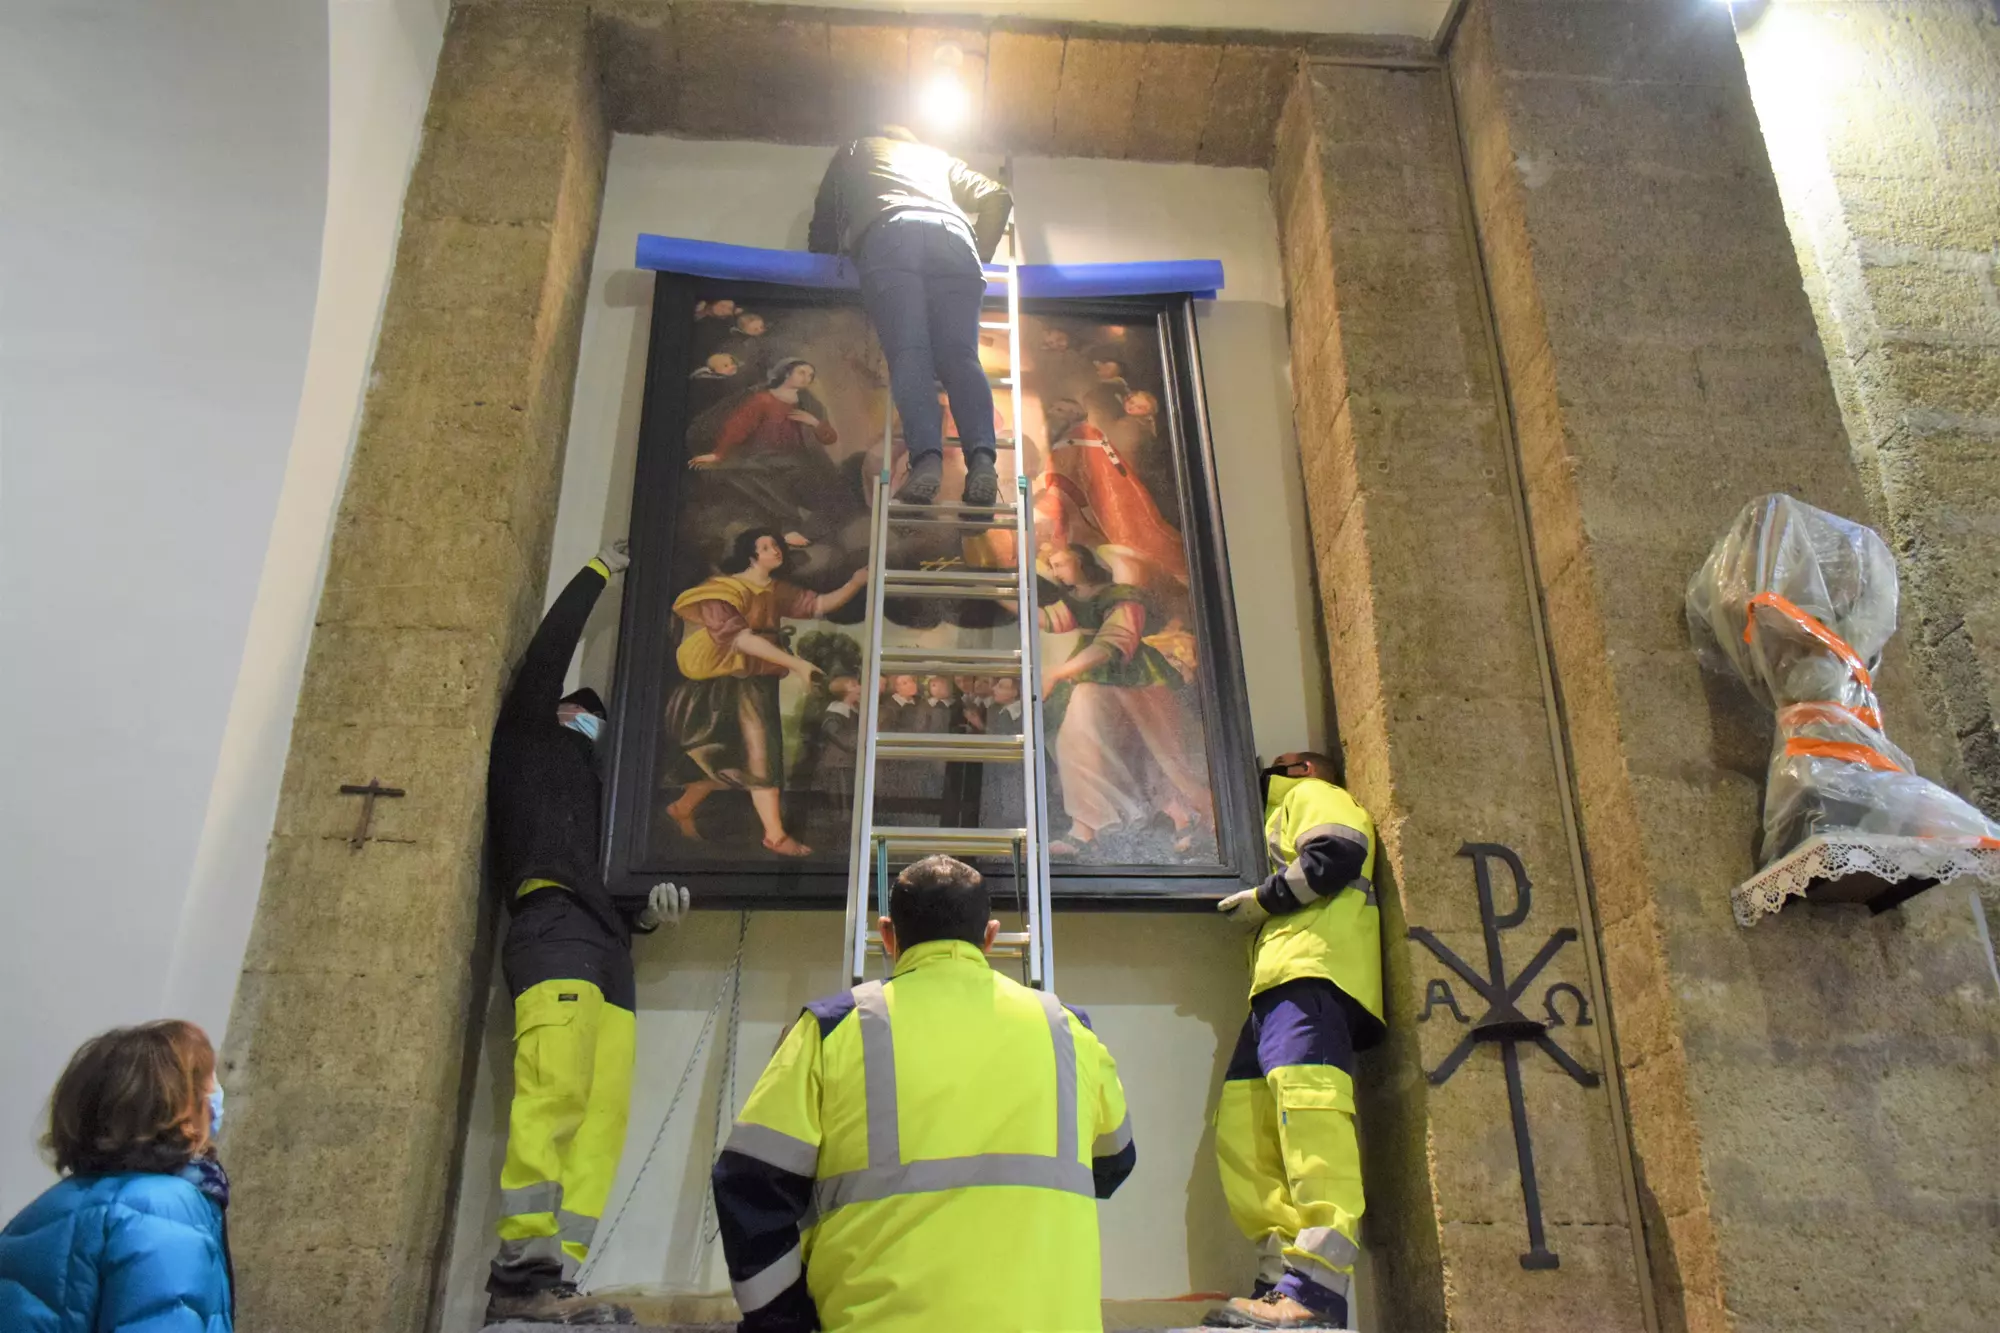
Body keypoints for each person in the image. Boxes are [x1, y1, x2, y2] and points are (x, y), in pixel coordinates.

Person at [711, 854, 1135, 1332]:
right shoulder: (1069, 1029)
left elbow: (749, 1183)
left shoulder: (835, 1028)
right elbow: (1114, 1163)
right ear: (990, 936)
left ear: (888, 935)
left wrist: (779, 1321)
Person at [485, 544, 694, 1325]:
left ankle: (555, 1284)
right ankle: (517, 1280)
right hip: (551, 929)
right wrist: (598, 572)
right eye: (587, 715)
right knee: (555, 1096)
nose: (592, 727)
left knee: (600, 1118)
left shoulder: (606, 797)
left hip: (607, 947)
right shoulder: (529, 744)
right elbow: (545, 659)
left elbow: (610, 875)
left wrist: (647, 911)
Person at [1204, 753, 1383, 1331]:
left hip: (1314, 975)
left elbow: (1338, 852)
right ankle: (1278, 1284)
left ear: (1301, 766)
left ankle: (1315, 1293)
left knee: (1310, 1123)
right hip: (1281, 984)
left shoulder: (1307, 796)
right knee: (1246, 1126)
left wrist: (1262, 900)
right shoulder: (1277, 815)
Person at [807, 124, 1012, 507]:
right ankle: (983, 463)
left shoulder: (856, 147)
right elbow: (998, 195)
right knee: (961, 357)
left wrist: (821, 271)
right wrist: (978, 255)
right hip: (955, 238)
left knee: (910, 353)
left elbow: (825, 220)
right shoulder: (938, 157)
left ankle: (927, 464)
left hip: (890, 236)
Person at [0, 1020, 234, 1332]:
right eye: (207, 1082)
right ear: (177, 1107)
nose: (216, 1095)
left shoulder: (43, 1211)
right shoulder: (164, 1209)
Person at [663, 528, 869, 857]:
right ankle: (774, 835)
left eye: (776, 546)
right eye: (766, 546)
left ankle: (683, 807)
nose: (776, 551)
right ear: (750, 555)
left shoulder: (775, 589)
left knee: (736, 756)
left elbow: (818, 604)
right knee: (754, 753)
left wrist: (856, 582)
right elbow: (740, 640)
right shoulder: (722, 591)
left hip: (757, 679)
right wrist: (798, 665)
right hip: (721, 682)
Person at [1038, 543, 1211, 857]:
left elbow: (1114, 645)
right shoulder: (1078, 598)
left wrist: (1059, 672)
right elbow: (1048, 620)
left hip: (1135, 682)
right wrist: (1000, 593)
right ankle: (1086, 828)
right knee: (1074, 742)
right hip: (1093, 684)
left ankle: (1186, 818)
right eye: (1053, 565)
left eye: (1060, 563)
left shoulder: (1124, 599)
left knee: (1159, 754)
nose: (1056, 571)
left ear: (1082, 561)